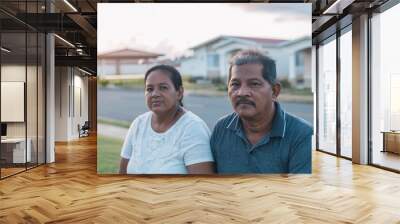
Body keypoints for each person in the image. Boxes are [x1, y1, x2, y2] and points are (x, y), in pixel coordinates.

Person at [210, 49, 313, 174]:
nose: (242, 92)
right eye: (235, 84)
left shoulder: (302, 135)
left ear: (275, 91)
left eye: (254, 84)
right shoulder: (222, 129)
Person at [119, 65, 215, 174]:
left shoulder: (193, 129)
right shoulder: (138, 124)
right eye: (149, 89)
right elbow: (122, 173)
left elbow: (202, 186)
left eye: (163, 87)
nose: (155, 94)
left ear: (179, 92)